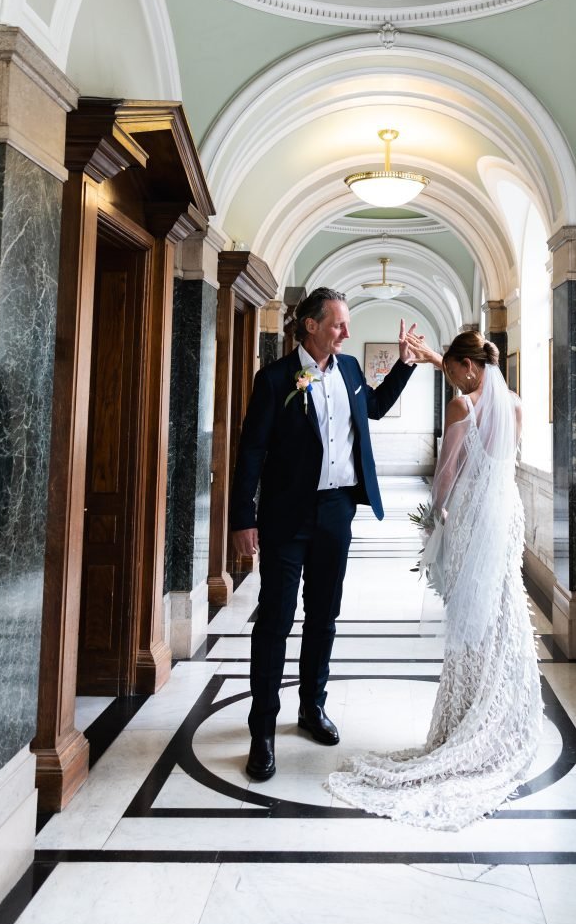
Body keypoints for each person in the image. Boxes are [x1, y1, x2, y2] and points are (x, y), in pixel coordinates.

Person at [328, 331, 543, 830]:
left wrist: (436, 518)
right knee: (502, 611)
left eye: (453, 370)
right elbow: (501, 458)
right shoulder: (514, 405)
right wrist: (427, 358)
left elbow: (446, 472)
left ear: (468, 366)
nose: (452, 379)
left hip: (471, 516)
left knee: (469, 615)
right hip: (507, 516)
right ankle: (502, 711)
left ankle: (465, 714)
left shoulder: (462, 406)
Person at [230, 287, 420, 781]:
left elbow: (374, 408)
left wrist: (404, 364)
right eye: (338, 324)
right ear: (311, 325)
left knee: (324, 615)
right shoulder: (275, 379)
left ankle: (311, 707)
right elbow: (251, 451)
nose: (346, 332)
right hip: (286, 516)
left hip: (337, 511)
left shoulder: (351, 371)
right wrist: (242, 518)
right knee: (275, 620)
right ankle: (262, 730)